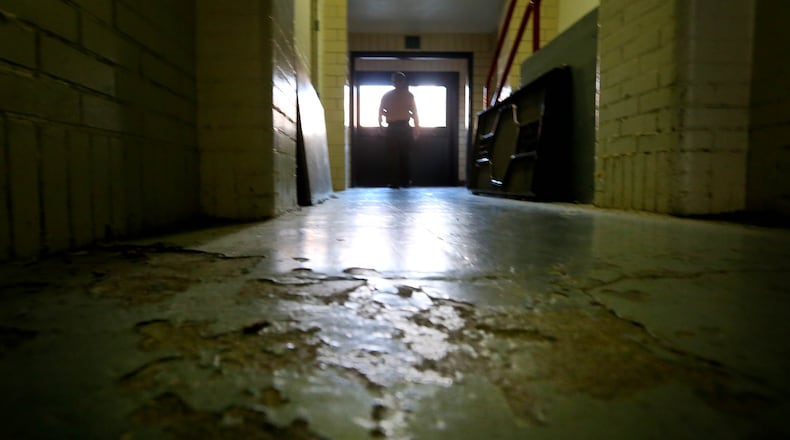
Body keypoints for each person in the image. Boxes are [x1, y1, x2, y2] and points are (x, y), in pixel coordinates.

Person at [378, 72, 419, 188]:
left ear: (393, 82)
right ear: (403, 82)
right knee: (405, 155)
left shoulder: (387, 96)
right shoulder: (409, 95)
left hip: (392, 128)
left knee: (393, 156)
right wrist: (416, 128)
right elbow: (414, 113)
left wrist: (381, 126)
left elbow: (380, 112)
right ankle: (405, 181)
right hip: (404, 127)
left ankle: (394, 182)